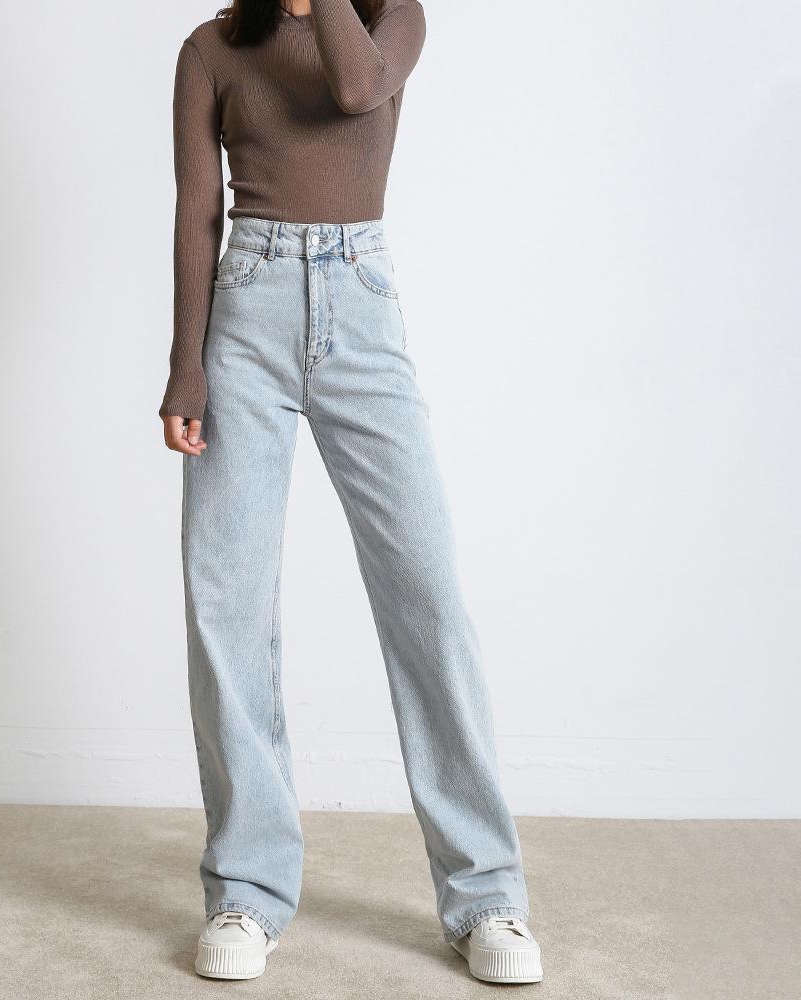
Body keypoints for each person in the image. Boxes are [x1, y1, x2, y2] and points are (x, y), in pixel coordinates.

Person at [159, 0, 543, 985]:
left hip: (359, 301)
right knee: (226, 604)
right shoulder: (211, 49)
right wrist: (186, 366)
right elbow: (197, 211)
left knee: (427, 598)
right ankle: (246, 890)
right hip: (244, 312)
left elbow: (357, 87)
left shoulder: (391, 21)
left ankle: (486, 894)